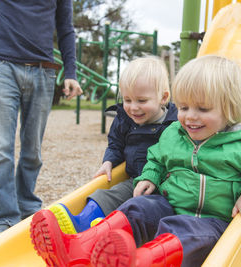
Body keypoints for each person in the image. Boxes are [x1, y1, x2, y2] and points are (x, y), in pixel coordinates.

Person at [29, 55, 241, 267]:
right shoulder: (174, 134)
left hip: (210, 222)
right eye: (185, 107)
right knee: (139, 207)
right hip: (170, 204)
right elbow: (156, 158)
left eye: (202, 109)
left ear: (230, 109)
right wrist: (150, 176)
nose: (190, 116)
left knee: (183, 230)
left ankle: (139, 261)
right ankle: (77, 248)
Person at [0, 0, 82, 241]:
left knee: (32, 150)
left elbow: (65, 28)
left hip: (43, 69)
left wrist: (71, 72)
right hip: (0, 67)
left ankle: (26, 205)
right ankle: (5, 216)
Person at [46, 56, 178, 235]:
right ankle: (81, 223)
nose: (133, 107)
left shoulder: (176, 122)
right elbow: (115, 144)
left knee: (137, 206)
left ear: (163, 98)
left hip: (168, 187)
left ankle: (104, 231)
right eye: (128, 100)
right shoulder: (124, 119)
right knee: (105, 195)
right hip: (135, 181)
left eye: (141, 101)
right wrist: (108, 161)